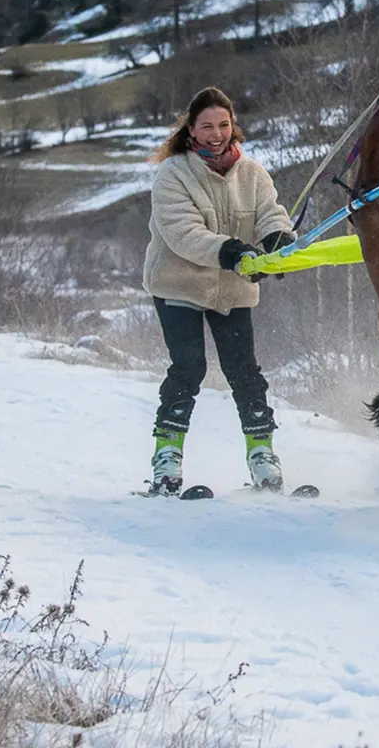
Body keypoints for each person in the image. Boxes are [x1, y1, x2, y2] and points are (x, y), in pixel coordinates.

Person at [142, 87, 297, 495]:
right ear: (191, 129)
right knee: (189, 367)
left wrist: (277, 241)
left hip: (231, 288)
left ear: (233, 127)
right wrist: (229, 251)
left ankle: (262, 455)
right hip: (179, 283)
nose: (216, 134)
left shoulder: (253, 174)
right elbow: (182, 233)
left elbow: (269, 214)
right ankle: (167, 457)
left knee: (244, 371)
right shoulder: (173, 174)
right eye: (207, 126)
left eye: (223, 125)